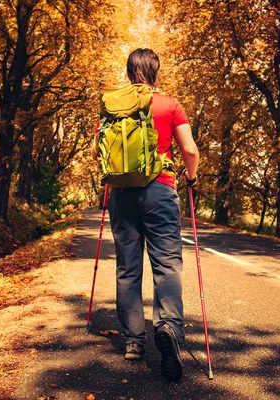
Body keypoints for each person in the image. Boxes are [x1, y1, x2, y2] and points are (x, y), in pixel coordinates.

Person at [91, 48, 199, 382]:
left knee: (128, 268)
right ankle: (167, 328)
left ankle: (134, 342)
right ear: (155, 72)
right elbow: (190, 150)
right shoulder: (170, 105)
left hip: (122, 196)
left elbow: (98, 151)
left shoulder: (111, 107)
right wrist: (191, 178)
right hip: (160, 191)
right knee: (167, 265)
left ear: (127, 73)